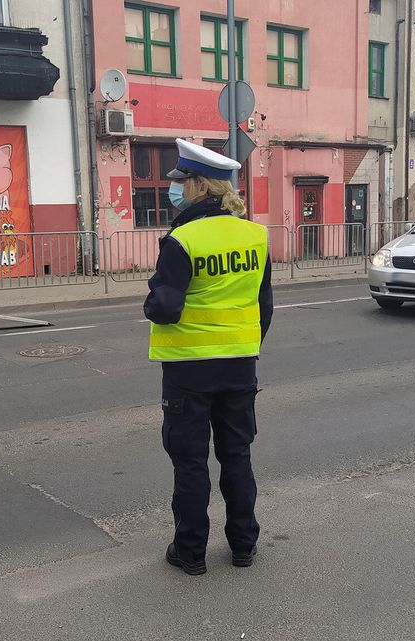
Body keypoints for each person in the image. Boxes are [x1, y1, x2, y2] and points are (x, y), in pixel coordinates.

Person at [145, 139, 273, 576]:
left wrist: (150, 297)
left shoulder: (182, 238)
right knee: (237, 455)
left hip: (189, 370)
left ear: (199, 186)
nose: (175, 189)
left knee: (190, 461)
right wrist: (243, 346)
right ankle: (243, 546)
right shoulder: (255, 235)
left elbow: (165, 307)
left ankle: (191, 552)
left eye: (181, 182)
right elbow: (264, 306)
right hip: (239, 365)